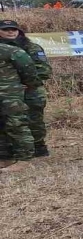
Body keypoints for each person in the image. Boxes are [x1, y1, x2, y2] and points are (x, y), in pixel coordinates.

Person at [0, 20, 51, 157]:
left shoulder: (31, 47)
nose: (11, 32)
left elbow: (44, 70)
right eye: (6, 30)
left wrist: (28, 83)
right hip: (9, 92)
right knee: (9, 121)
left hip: (31, 90)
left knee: (34, 120)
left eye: (14, 29)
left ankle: (38, 147)